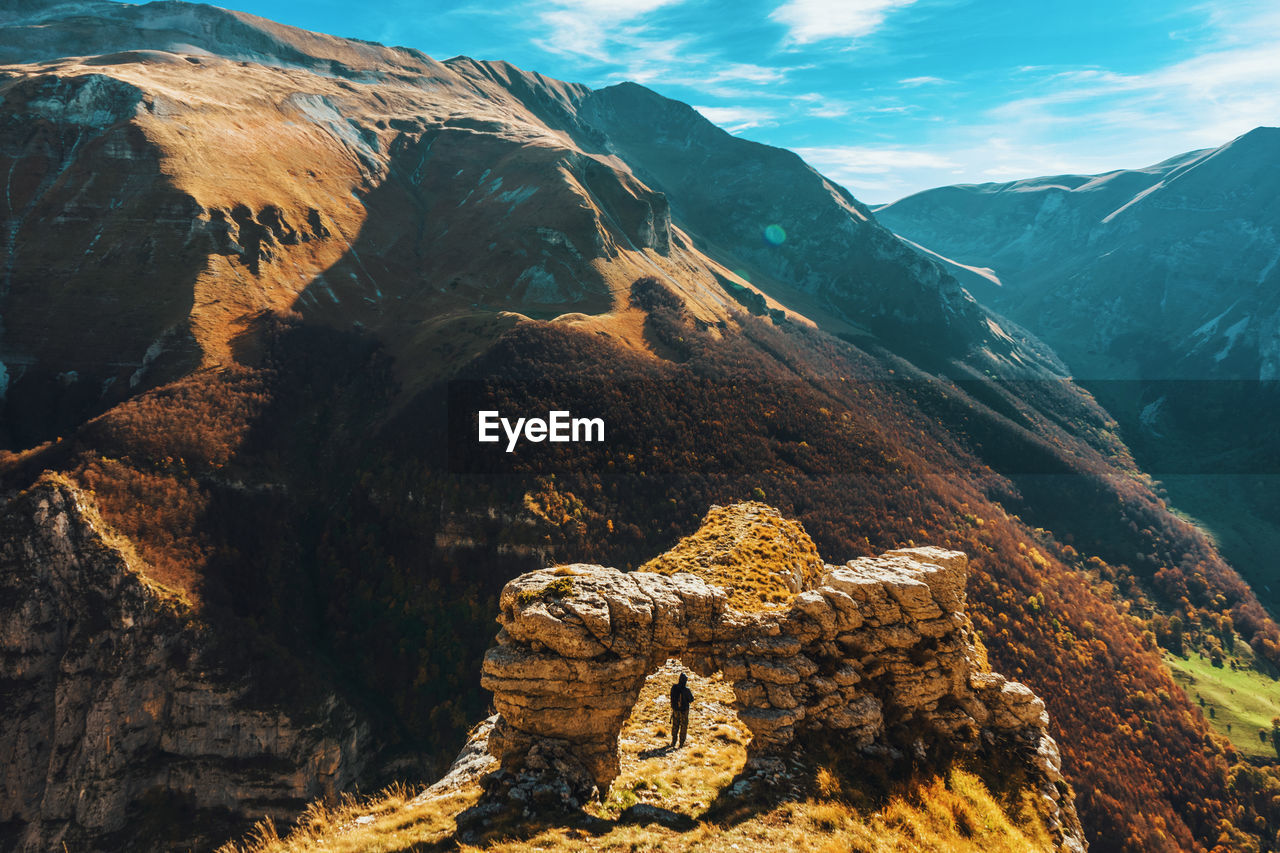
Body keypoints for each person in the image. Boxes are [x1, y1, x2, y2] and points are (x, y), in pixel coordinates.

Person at [670, 672, 693, 748]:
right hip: (684, 710)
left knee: (675, 725)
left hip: (675, 710)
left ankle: (673, 741)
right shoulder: (686, 690)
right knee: (683, 726)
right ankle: (681, 743)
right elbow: (691, 699)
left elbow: (672, 697)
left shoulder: (674, 687)